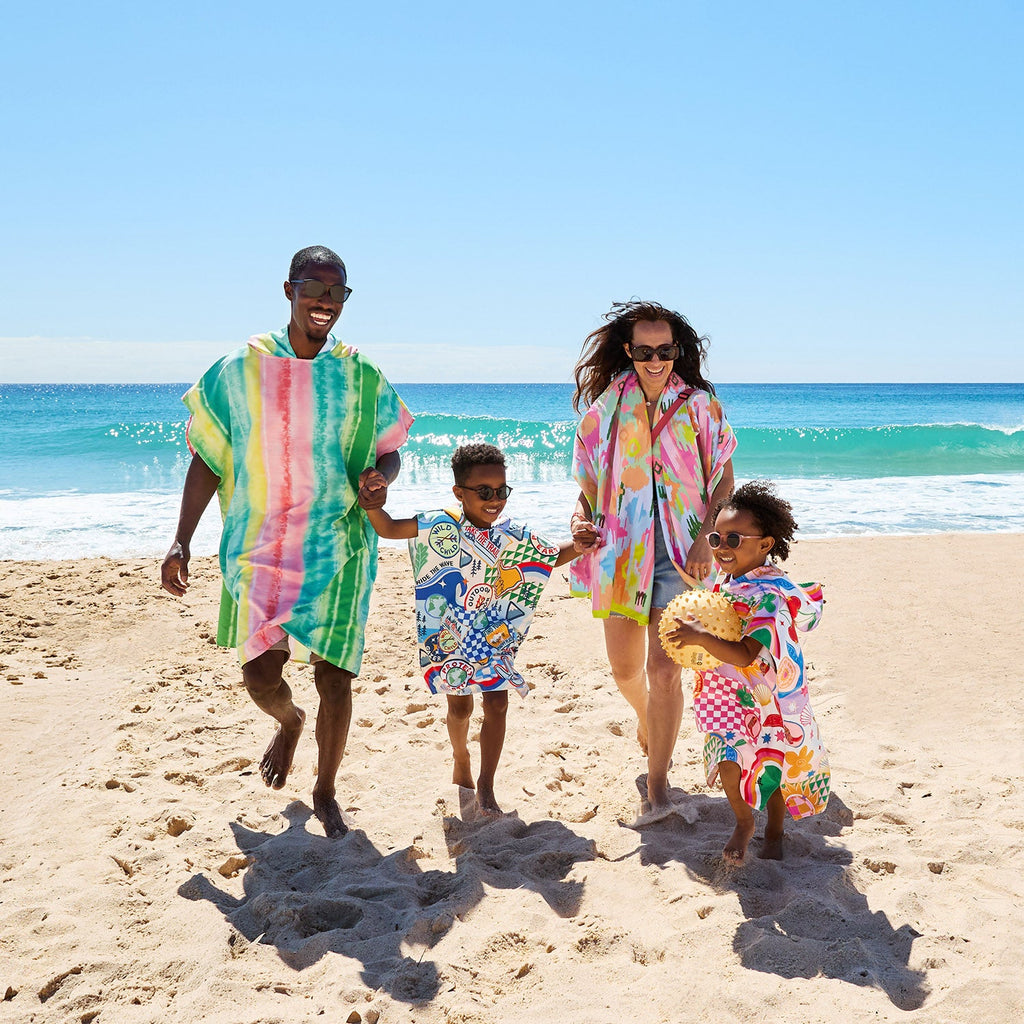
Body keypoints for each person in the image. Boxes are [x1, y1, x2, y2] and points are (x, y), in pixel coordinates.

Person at [160, 245, 413, 838]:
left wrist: (381, 479)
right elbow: (207, 459)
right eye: (315, 289)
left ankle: (325, 791)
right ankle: (289, 721)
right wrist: (180, 541)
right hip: (261, 542)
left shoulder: (359, 372)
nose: (326, 302)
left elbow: (387, 448)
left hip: (338, 538)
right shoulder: (240, 369)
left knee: (335, 676)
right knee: (260, 676)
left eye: (337, 292)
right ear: (289, 290)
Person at [569, 300, 737, 820]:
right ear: (629, 351)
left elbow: (724, 478)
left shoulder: (700, 406)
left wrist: (706, 536)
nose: (656, 360)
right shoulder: (604, 410)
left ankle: (658, 786)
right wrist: (580, 521)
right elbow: (588, 487)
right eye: (645, 351)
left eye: (666, 351)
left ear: (677, 351)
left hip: (683, 553)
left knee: (664, 670)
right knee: (626, 670)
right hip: (621, 551)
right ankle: (646, 719)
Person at [358, 442, 580, 817]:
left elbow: (550, 556)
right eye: (484, 492)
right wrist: (374, 503)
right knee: (460, 708)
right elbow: (391, 529)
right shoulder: (438, 525)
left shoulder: (512, 535)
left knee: (498, 702)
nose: (495, 500)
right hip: (448, 634)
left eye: (501, 491)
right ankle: (461, 755)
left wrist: (580, 544)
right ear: (459, 493)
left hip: (493, 635)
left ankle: (487, 785)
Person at [663, 480, 829, 864]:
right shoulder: (731, 581)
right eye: (716, 537)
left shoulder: (768, 596)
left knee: (770, 764)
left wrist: (701, 637)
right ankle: (742, 822)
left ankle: (774, 829)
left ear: (765, 544)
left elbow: (744, 654)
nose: (721, 548)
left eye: (733, 539)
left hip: (765, 698)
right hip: (725, 695)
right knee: (727, 759)